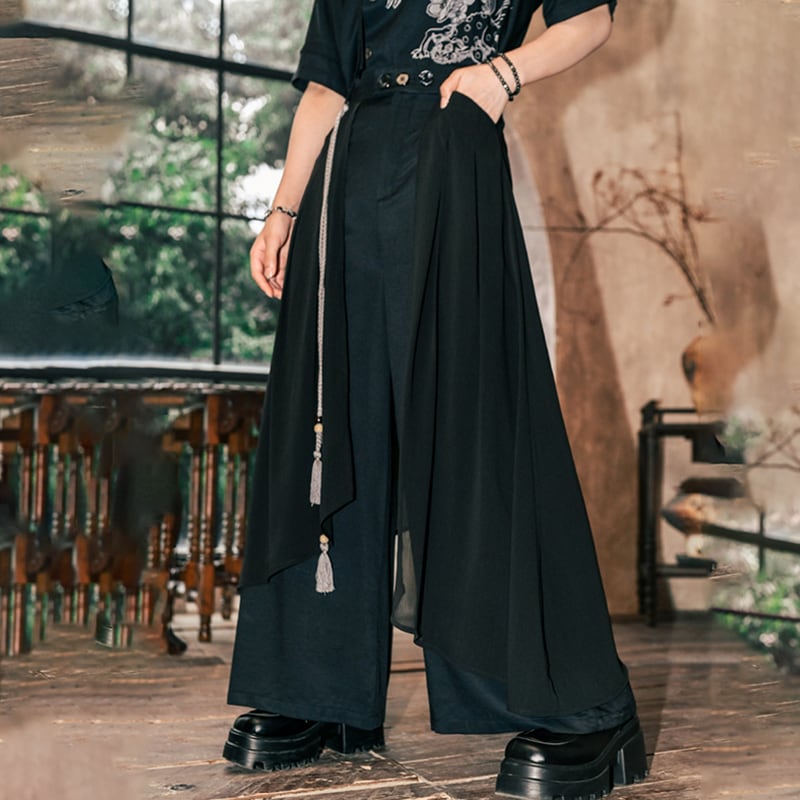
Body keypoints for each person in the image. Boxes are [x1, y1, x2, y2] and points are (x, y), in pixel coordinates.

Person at [223, 2, 649, 798]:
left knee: (475, 427)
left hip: (454, 160)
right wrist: (283, 210)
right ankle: (320, 694)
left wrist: (502, 74)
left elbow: (590, 17)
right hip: (346, 181)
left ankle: (581, 705)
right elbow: (326, 86)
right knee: (331, 424)